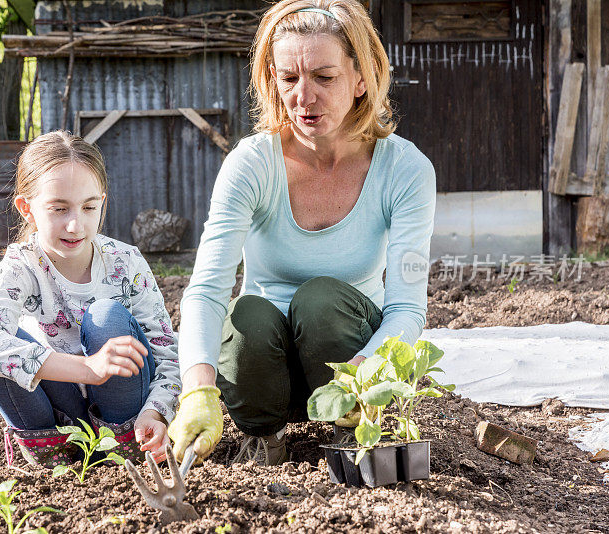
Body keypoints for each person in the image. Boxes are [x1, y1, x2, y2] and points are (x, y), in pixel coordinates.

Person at [168, 0, 436, 466]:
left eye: (324, 77)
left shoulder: (405, 169)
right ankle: (263, 439)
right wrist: (196, 388)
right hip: (263, 371)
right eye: (289, 78)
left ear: (361, 78)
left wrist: (361, 373)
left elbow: (407, 308)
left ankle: (349, 431)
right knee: (247, 315)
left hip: (347, 361)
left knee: (320, 300)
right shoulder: (251, 165)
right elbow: (207, 289)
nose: (304, 97)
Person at [0, 131, 181, 468]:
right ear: (27, 208)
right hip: (62, 411)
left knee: (106, 317)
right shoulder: (23, 265)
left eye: (89, 206)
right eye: (59, 208)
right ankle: (54, 454)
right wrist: (87, 368)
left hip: (124, 408)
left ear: (102, 204)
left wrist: (156, 412)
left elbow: (168, 355)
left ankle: (119, 449)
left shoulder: (125, 262)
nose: (76, 224)